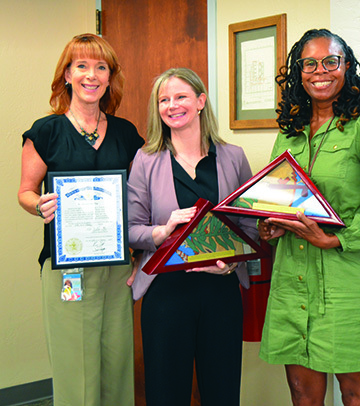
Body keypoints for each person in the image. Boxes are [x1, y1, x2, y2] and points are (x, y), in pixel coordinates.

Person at [258, 29, 360, 406]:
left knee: (356, 395)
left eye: (331, 61)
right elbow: (276, 196)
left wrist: (336, 237)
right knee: (303, 395)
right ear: (298, 72)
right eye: (310, 63)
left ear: (346, 67)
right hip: (293, 280)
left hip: (350, 283)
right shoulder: (289, 134)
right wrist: (269, 223)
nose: (321, 71)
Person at [17, 33, 144, 405]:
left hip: (118, 266)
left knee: (118, 358)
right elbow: (25, 191)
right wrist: (39, 205)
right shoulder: (46, 131)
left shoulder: (125, 133)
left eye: (101, 67)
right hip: (67, 266)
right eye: (82, 66)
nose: (92, 75)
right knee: (75, 364)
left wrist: (140, 254)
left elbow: (137, 199)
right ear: (67, 75)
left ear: (110, 77)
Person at [127, 67, 256, 406]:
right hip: (167, 296)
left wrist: (229, 263)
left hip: (221, 292)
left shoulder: (233, 157)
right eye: (163, 100)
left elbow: (251, 227)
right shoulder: (146, 160)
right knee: (166, 393)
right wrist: (162, 231)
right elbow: (130, 228)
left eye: (181, 96)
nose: (172, 105)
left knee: (222, 390)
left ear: (200, 101)